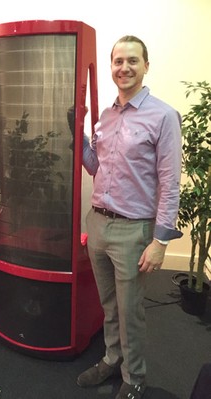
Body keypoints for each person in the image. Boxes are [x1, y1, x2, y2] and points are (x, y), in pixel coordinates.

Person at [78, 36, 183, 398]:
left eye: (132, 61)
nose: (124, 68)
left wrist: (160, 241)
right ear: (111, 67)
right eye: (118, 61)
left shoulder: (164, 116)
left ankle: (134, 377)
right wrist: (79, 138)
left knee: (130, 311)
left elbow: (170, 184)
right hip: (99, 223)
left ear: (146, 66)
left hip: (134, 232)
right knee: (107, 305)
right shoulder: (106, 116)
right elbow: (97, 167)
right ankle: (111, 358)